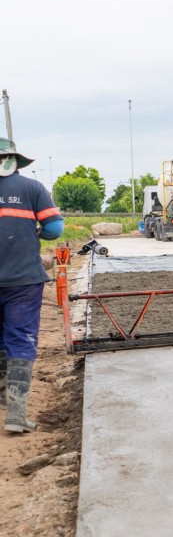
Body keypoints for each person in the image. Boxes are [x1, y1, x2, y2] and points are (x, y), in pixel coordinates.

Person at [0, 138, 64, 434]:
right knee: (20, 338)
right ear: (14, 161)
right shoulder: (32, 189)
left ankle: (2, 394)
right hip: (23, 280)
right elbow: (54, 229)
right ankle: (15, 413)